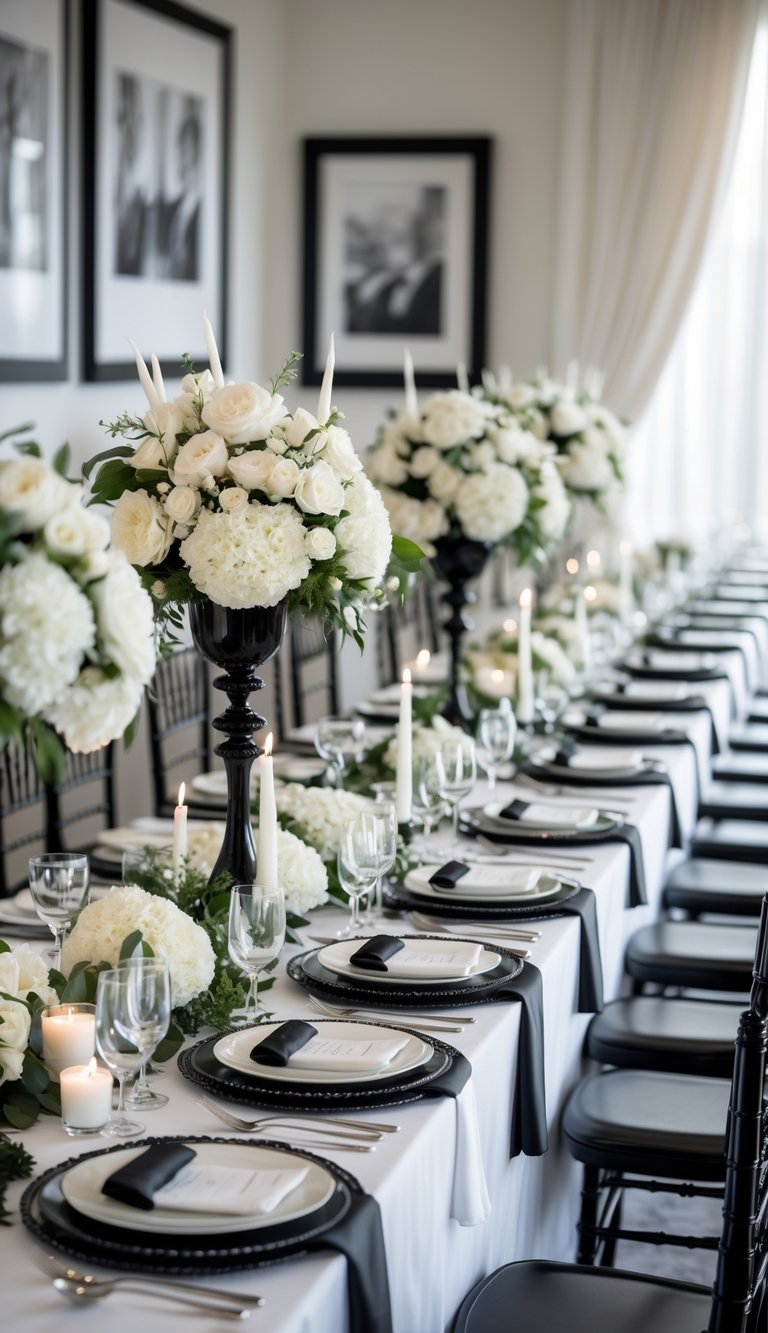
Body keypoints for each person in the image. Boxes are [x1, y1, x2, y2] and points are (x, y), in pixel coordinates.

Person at [345, 186, 444, 336]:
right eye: (383, 237)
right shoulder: (385, 285)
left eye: (397, 238)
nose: (384, 246)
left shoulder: (439, 277)